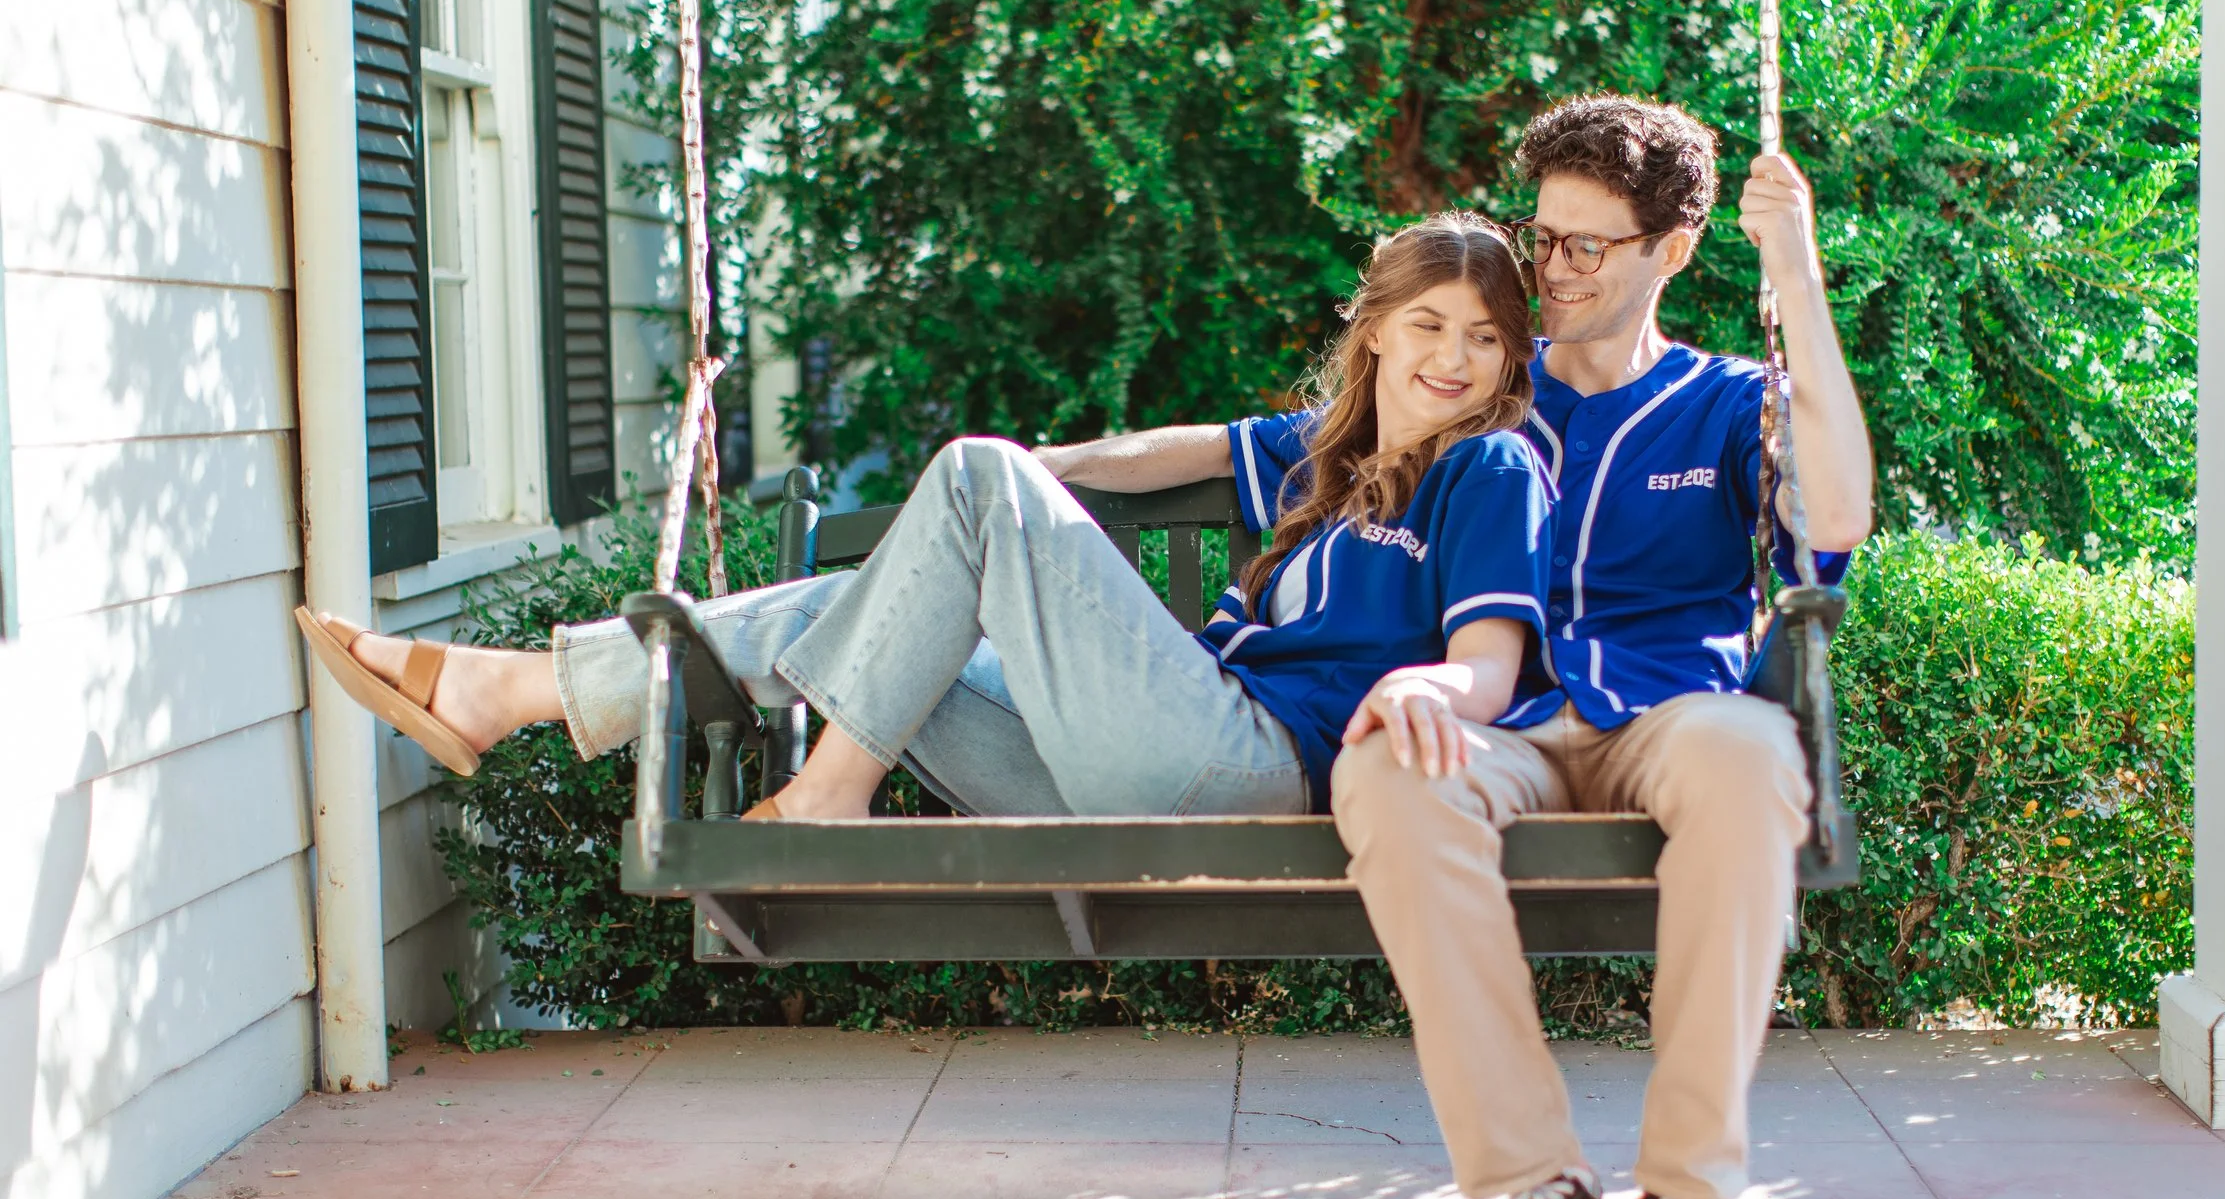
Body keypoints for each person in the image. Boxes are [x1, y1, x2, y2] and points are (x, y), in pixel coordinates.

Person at [1043, 96, 1874, 1199]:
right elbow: (1242, 446)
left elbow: (1840, 517)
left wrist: (1796, 282)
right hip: (1500, 716)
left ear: (1672, 251)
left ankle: (1692, 1195)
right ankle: (1538, 1187)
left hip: (1672, 711)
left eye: (1590, 246)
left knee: (1753, 757)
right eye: (1544, 237)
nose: (1554, 271)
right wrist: (1018, 469)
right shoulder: (1469, 389)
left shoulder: (1724, 401)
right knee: (1382, 774)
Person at [296, 212, 1558, 861]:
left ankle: (829, 795)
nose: (1455, 357)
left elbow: (1491, 664)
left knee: (970, 479)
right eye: (1431, 324)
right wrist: (1046, 476)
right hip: (1129, 763)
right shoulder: (1324, 457)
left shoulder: (1487, 468)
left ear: (1508, 356)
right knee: (847, 613)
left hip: (1251, 765)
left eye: (1485, 336)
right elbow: (1171, 449)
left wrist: (1425, 686)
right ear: (1378, 330)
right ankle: (500, 688)